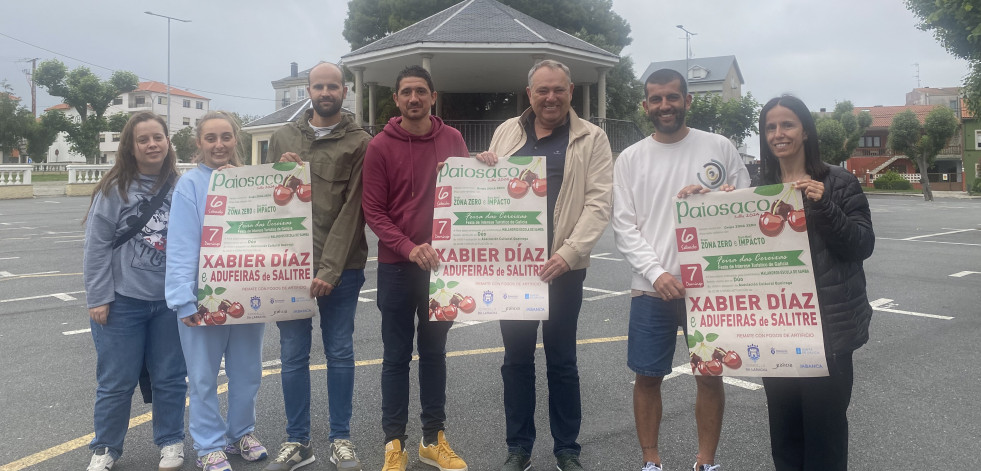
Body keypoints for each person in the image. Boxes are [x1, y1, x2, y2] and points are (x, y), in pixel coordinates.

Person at [475, 59, 613, 471]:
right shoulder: (506, 132)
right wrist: (478, 167)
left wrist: (568, 254)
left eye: (558, 90)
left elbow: (599, 202)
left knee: (562, 360)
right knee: (516, 361)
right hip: (513, 272)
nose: (550, 98)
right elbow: (490, 193)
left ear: (570, 91)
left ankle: (567, 449)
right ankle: (518, 447)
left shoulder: (592, 138)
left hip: (563, 269)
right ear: (529, 93)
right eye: (541, 91)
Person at [611, 68, 750, 471]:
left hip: (709, 291)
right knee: (648, 376)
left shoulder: (719, 147)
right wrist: (657, 274)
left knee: (709, 375)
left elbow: (743, 209)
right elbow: (624, 227)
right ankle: (651, 462)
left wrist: (722, 198)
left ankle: (706, 462)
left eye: (673, 97)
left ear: (688, 101)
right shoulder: (632, 158)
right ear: (646, 106)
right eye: (656, 99)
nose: (665, 105)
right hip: (652, 289)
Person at [362, 65, 470, 471]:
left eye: (421, 91)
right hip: (396, 267)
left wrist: (485, 164)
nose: (414, 98)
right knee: (394, 357)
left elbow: (471, 192)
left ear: (433, 96)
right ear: (396, 99)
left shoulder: (454, 139)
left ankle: (433, 439)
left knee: (434, 354)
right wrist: (408, 248)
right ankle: (394, 443)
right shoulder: (380, 147)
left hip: (442, 270)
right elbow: (373, 210)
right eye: (406, 92)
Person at [264, 61, 371, 471]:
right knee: (292, 354)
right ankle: (297, 442)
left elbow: (355, 209)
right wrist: (283, 171)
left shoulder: (361, 142)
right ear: (307, 91)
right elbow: (271, 200)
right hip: (290, 267)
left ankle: (340, 440)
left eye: (333, 86)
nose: (325, 92)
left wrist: (329, 269)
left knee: (340, 351)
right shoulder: (283, 136)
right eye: (318, 86)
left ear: (344, 91)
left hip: (342, 268)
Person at [757, 95, 874, 471]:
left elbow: (862, 244)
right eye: (771, 127)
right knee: (786, 436)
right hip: (778, 331)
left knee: (825, 438)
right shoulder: (757, 187)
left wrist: (825, 206)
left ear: (805, 130)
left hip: (828, 335)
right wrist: (705, 202)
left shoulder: (838, 181)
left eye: (787, 124)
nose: (779, 134)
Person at [83, 111, 187, 471]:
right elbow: (95, 246)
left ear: (168, 141)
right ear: (131, 146)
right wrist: (98, 296)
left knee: (170, 377)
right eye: (143, 139)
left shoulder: (181, 186)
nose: (152, 144)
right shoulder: (115, 189)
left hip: (171, 301)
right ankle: (106, 447)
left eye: (157, 137)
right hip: (123, 301)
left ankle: (171, 441)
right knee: (116, 380)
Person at [165, 111, 268, 471]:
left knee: (248, 370)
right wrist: (182, 299)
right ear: (199, 143)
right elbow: (180, 244)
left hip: (248, 292)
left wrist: (290, 172)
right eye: (211, 138)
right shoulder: (190, 185)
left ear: (235, 140)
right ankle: (209, 444)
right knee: (204, 375)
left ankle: (241, 432)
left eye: (226, 137)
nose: (219, 144)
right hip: (202, 297)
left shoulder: (252, 181)